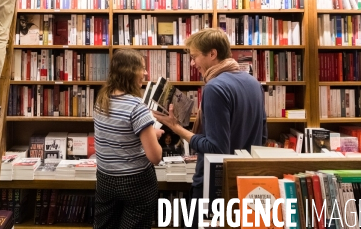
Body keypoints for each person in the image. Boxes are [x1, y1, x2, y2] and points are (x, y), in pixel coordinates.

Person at [153, 28, 267, 228]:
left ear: (212, 54)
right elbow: (263, 136)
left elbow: (216, 148)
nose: (192, 62)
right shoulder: (254, 84)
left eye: (195, 56)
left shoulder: (215, 87)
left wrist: (176, 127)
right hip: (247, 182)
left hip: (214, 186)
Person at [94, 49, 164, 229]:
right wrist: (154, 137)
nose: (146, 73)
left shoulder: (102, 100)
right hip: (136, 182)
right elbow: (155, 157)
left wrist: (147, 133)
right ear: (130, 71)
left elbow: (119, 134)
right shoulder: (136, 107)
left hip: (105, 179)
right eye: (142, 68)